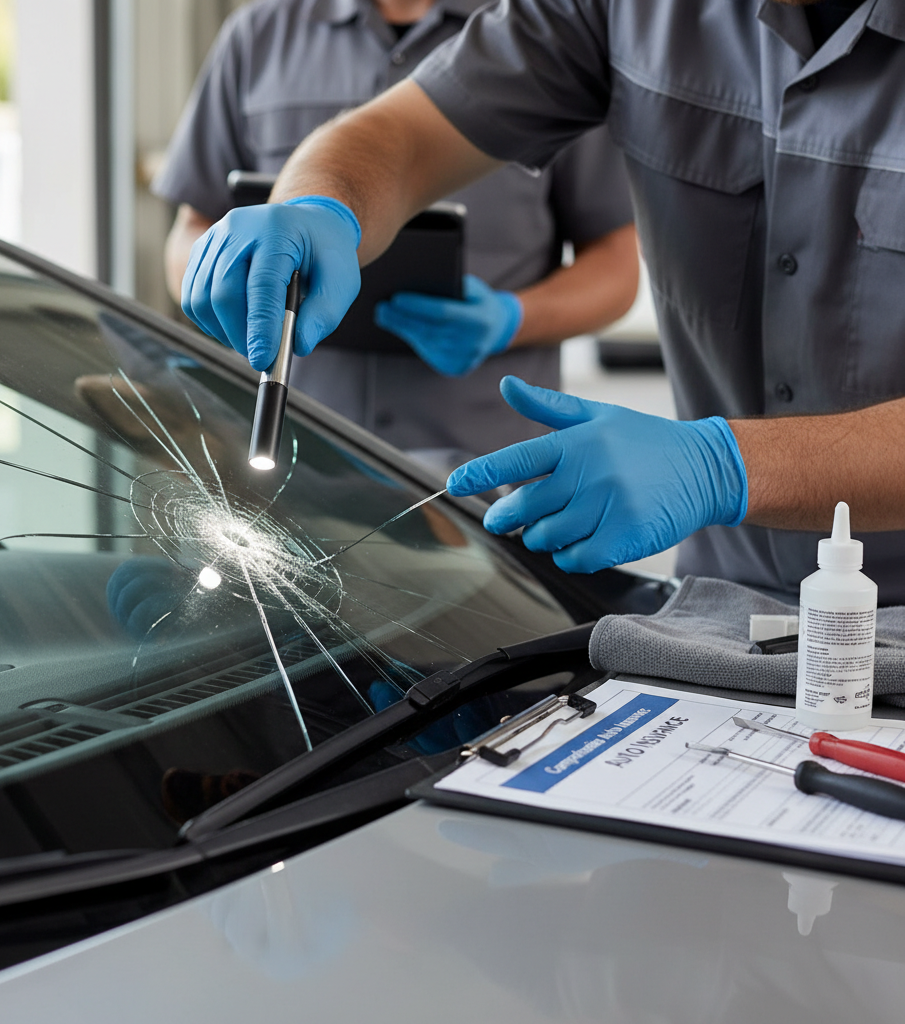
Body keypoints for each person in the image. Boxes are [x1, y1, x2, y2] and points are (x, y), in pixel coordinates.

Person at [180, 0, 905, 603]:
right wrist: (325, 204)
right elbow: (400, 132)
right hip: (725, 607)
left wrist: (727, 466)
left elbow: (610, 258)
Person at [152, 0, 638, 473]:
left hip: (484, 470)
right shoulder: (257, 36)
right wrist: (229, 280)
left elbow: (618, 266)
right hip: (295, 456)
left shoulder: (544, 43)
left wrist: (513, 319)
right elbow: (191, 231)